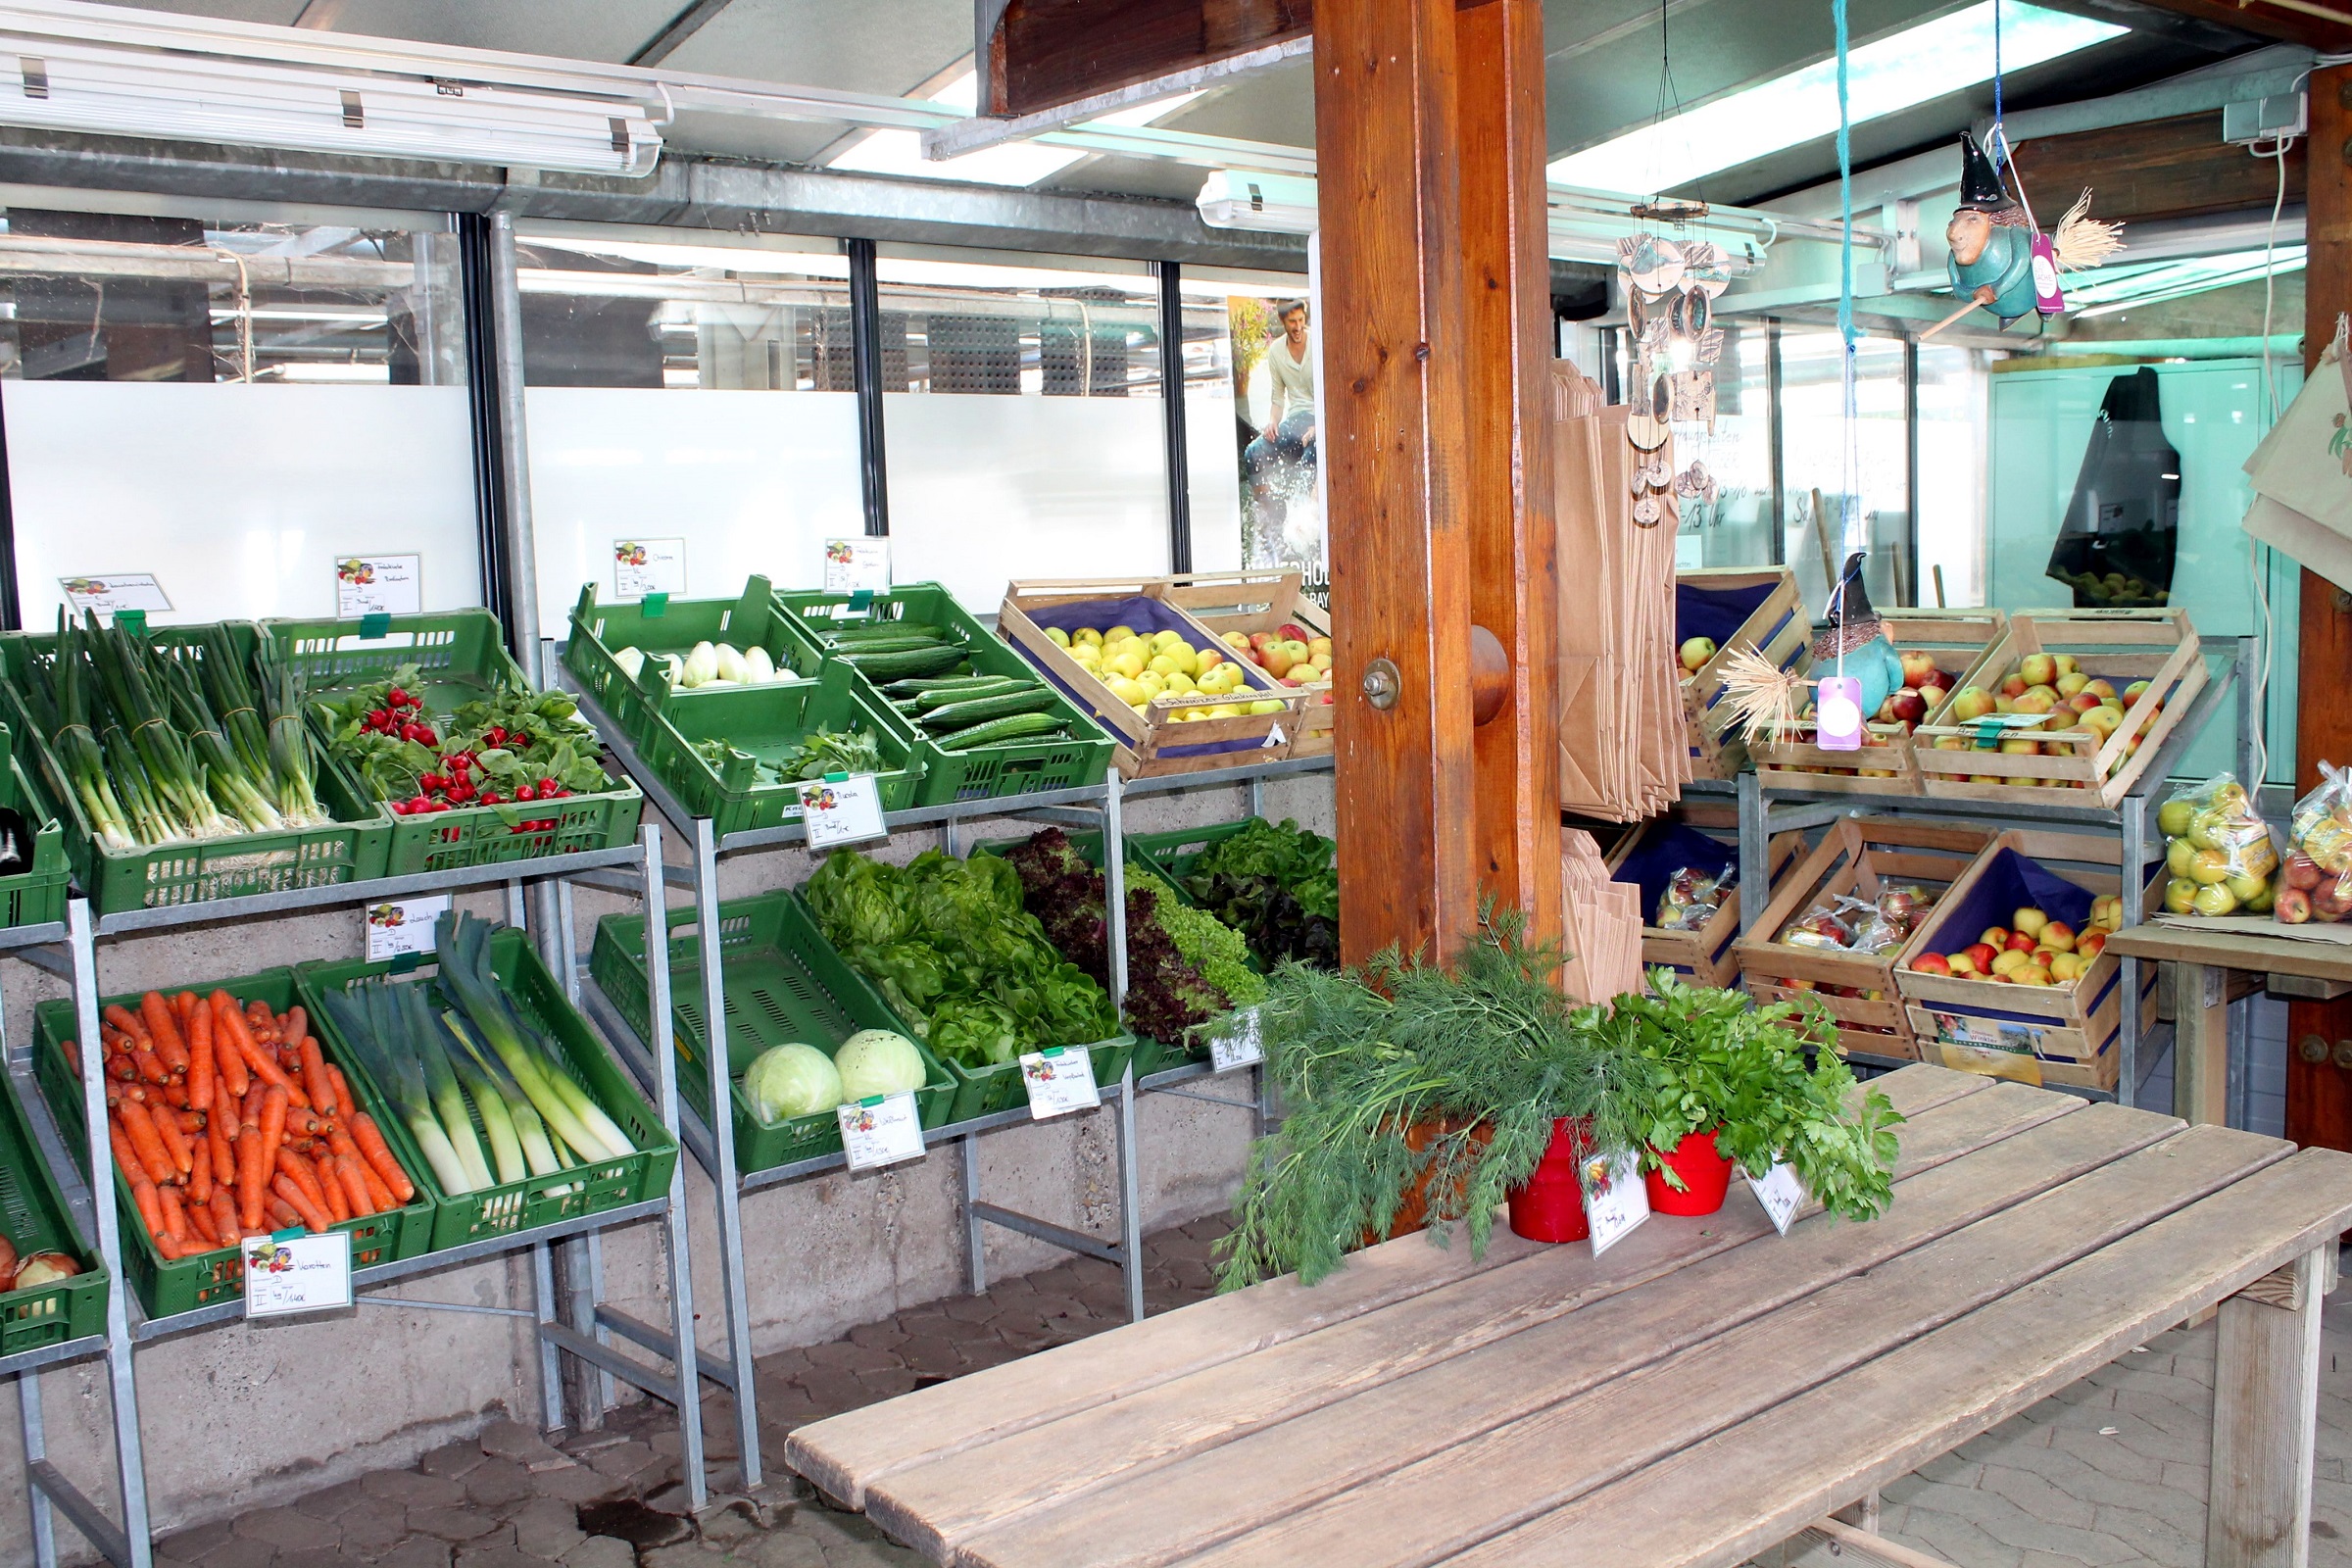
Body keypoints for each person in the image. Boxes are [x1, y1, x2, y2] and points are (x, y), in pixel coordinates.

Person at [1244, 300, 1317, 537]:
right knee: (1254, 452)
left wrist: (1320, 427)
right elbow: (1277, 397)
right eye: (1292, 322)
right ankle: (1270, 516)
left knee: (1313, 452)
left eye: (1301, 320)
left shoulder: (1318, 344)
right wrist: (1273, 422)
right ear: (1282, 322)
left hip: (1321, 420)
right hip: (1296, 419)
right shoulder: (1276, 351)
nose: (1298, 327)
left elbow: (1334, 394)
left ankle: (1302, 523)